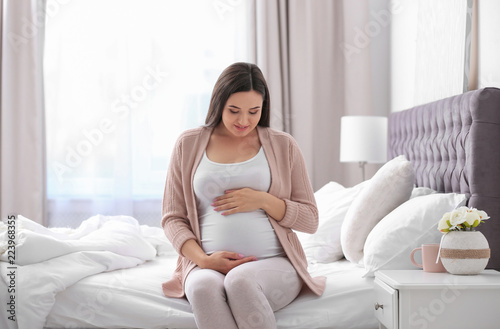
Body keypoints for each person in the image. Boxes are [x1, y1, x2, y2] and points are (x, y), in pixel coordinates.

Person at [161, 62, 325, 329]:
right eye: (234, 111)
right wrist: (204, 260)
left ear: (264, 108)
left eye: (254, 112)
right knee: (203, 288)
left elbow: (310, 220)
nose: (243, 121)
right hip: (206, 264)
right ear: (218, 104)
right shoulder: (188, 144)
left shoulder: (283, 145)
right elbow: (172, 218)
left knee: (240, 282)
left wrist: (263, 199)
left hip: (274, 263)